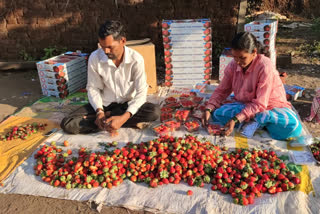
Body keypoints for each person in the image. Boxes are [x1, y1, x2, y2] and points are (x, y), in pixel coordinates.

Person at [61, 20, 160, 134]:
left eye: (110, 47)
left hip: (126, 105)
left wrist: (124, 117)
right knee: (68, 123)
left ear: (122, 41)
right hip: (105, 105)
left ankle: (113, 121)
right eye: (102, 47)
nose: (106, 51)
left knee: (154, 112)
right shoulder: (95, 57)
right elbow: (93, 88)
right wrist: (99, 112)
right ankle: (109, 120)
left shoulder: (136, 59)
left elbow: (141, 93)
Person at [202, 32, 302, 140]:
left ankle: (262, 119)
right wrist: (209, 108)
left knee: (292, 127)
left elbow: (260, 103)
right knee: (218, 114)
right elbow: (222, 90)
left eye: (242, 58)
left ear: (254, 52)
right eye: (235, 57)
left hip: (271, 107)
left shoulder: (265, 67)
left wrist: (236, 119)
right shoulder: (233, 65)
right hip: (246, 105)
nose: (238, 62)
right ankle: (258, 122)